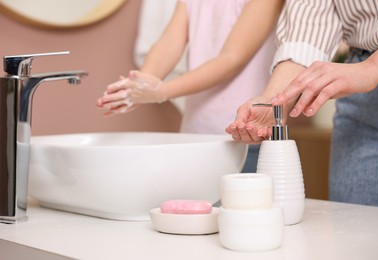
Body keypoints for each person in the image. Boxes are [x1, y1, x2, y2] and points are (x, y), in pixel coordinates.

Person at [226, 0, 378, 207]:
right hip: (361, 83)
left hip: (365, 71)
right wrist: (273, 102)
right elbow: (307, 32)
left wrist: (374, 68)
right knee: (358, 222)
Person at [96, 0, 284, 172]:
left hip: (247, 135)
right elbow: (169, 43)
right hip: (195, 136)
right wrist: (141, 84)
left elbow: (232, 58)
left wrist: (162, 91)